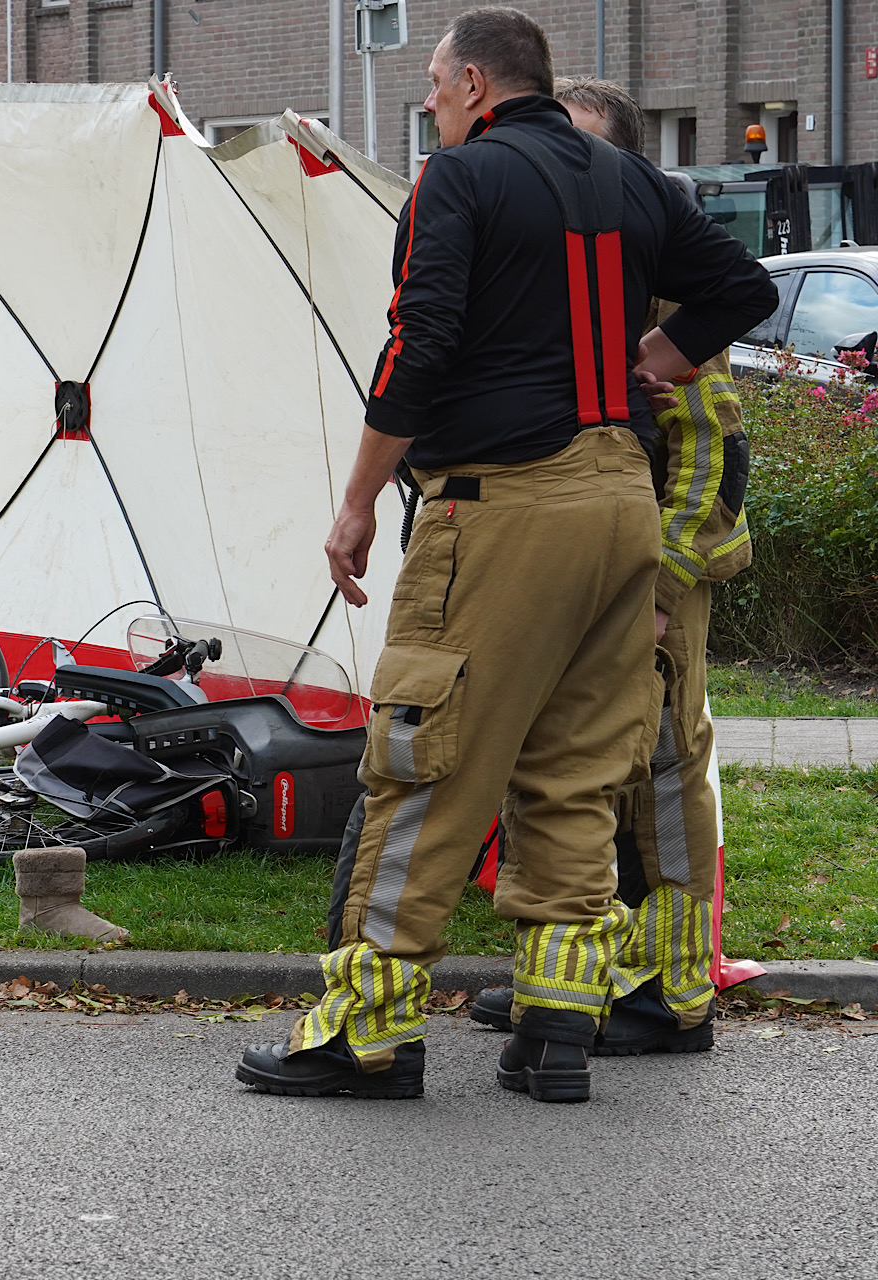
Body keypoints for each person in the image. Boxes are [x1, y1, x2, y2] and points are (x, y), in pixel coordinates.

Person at [233, 7, 776, 1103]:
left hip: (502, 500)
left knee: (424, 763)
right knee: (577, 774)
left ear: (475, 83)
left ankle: (365, 1031)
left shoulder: (462, 177)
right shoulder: (631, 182)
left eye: (434, 86)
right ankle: (556, 1031)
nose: (431, 104)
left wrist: (353, 501)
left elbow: (418, 339)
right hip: (620, 498)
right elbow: (745, 288)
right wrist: (647, 362)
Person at [458, 76, 753, 1054]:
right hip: (588, 566)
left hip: (655, 580)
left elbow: (714, 453)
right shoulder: (571, 268)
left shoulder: (665, 281)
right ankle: (580, 981)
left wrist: (660, 590)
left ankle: (672, 995)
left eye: (580, 151)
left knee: (663, 783)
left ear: (626, 165)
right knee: (580, 781)